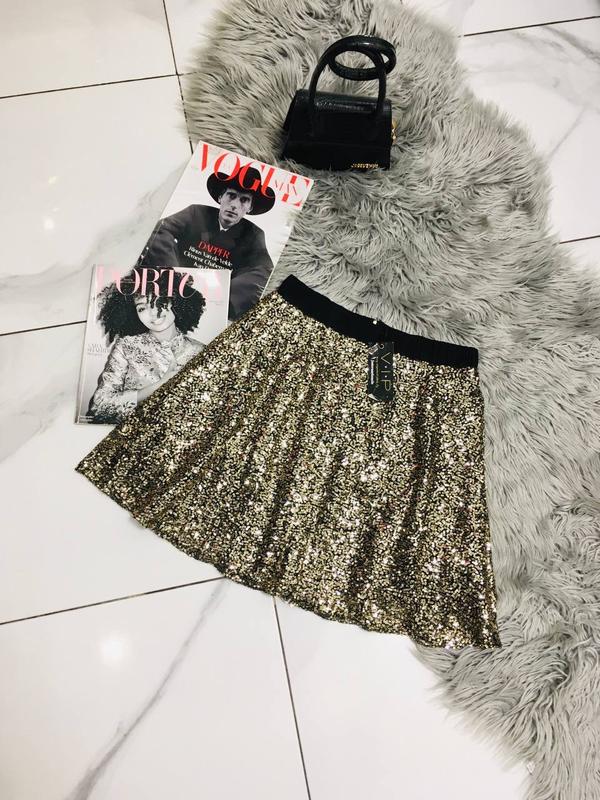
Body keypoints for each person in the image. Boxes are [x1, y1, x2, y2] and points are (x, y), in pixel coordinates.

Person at [137, 166, 276, 322]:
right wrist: (173, 278)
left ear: (250, 207)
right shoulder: (195, 212)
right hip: (174, 284)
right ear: (220, 197)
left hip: (213, 299)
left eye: (244, 200)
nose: (235, 205)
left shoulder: (254, 234)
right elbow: (161, 230)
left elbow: (263, 269)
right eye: (231, 196)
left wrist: (219, 298)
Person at [87, 267, 206, 424]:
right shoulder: (126, 347)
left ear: (175, 301)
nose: (153, 313)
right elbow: (99, 407)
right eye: (142, 308)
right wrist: (160, 386)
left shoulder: (200, 351)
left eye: (160, 301)